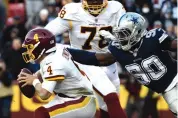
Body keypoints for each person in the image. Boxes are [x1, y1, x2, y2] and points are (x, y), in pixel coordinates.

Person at [66, 12, 178, 117]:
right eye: (119, 34)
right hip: (167, 90)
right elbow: (97, 59)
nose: (121, 37)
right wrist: (69, 52)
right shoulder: (118, 50)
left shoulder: (153, 38)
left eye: (125, 33)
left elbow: (173, 45)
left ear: (137, 32)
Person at [45, 0, 127, 117]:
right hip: (84, 63)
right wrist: (60, 50)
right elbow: (46, 33)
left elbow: (127, 33)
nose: (94, 2)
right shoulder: (72, 11)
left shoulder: (115, 8)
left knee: (108, 109)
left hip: (109, 62)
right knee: (111, 98)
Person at [17, 28, 96, 118]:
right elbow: (47, 70)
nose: (28, 51)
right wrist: (36, 75)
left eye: (30, 47)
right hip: (70, 96)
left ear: (41, 47)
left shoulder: (53, 63)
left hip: (81, 99)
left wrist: (34, 81)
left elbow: (44, 94)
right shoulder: (54, 52)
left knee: (42, 113)